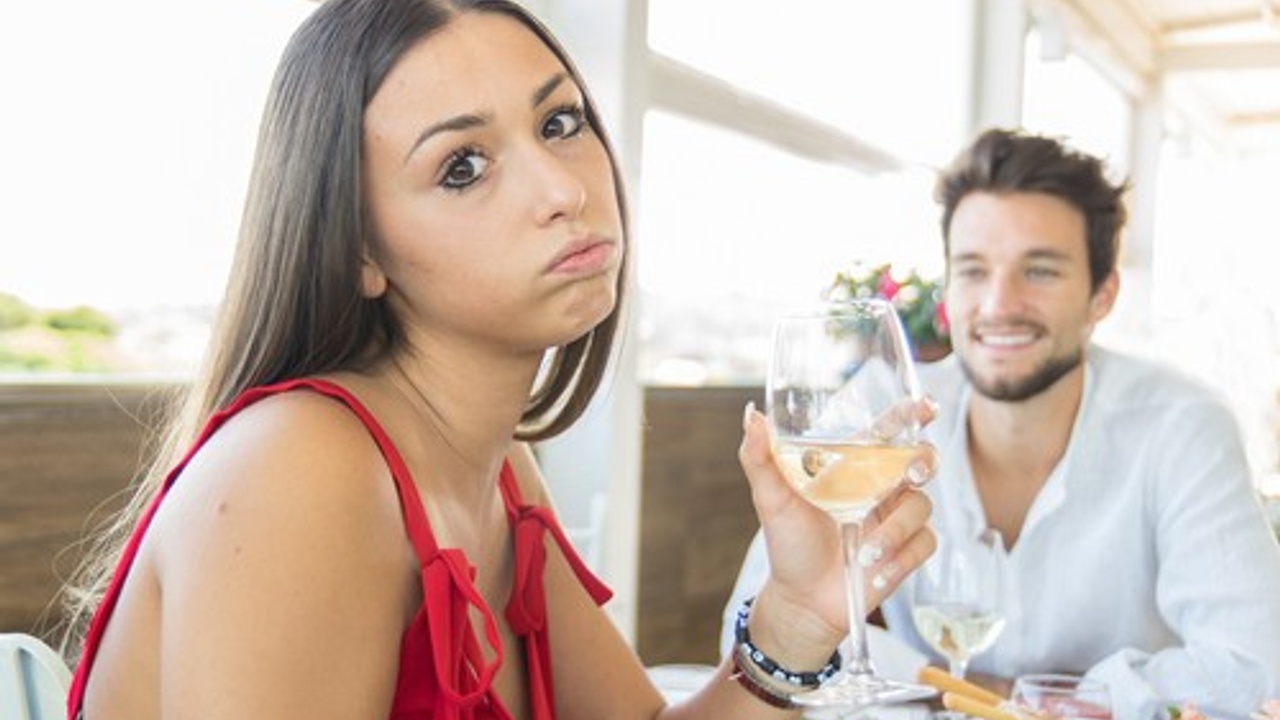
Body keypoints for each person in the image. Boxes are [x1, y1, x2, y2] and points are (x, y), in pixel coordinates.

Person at [58, 2, 939, 719]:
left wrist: (795, 618)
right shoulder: (297, 469)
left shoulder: (500, 470)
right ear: (358, 248)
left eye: (560, 122)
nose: (565, 189)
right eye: (463, 167)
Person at [724, 127, 1280, 720]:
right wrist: (956, 688)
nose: (998, 305)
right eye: (973, 270)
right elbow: (750, 643)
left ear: (1102, 295)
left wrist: (1013, 699)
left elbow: (1255, 665)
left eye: (1039, 271)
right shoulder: (882, 406)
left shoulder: (1182, 426)